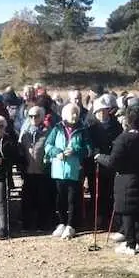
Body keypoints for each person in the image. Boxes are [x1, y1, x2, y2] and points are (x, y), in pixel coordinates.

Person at [94, 103, 139, 255]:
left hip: (127, 181)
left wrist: (100, 157)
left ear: (128, 120)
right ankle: (136, 242)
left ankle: (130, 244)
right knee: (137, 212)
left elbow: (113, 162)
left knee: (128, 213)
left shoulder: (124, 139)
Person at [45, 103, 89, 240]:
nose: (74, 116)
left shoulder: (83, 130)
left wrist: (76, 151)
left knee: (72, 199)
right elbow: (48, 146)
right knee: (60, 198)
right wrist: (56, 152)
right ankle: (61, 223)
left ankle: (71, 225)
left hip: (74, 170)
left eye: (76, 113)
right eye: (72, 113)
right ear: (65, 115)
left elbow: (89, 149)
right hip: (58, 170)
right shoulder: (57, 128)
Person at [87, 94, 122, 231]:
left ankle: (111, 218)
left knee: (111, 192)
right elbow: (88, 144)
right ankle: (98, 217)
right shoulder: (91, 127)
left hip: (111, 164)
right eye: (98, 111)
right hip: (95, 165)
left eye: (104, 110)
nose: (101, 113)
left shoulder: (116, 126)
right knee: (96, 192)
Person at [19, 106, 51, 232]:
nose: (33, 118)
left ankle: (41, 225)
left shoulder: (48, 132)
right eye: (30, 116)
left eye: (36, 116)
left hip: (42, 172)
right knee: (27, 199)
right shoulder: (25, 132)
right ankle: (26, 225)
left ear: (42, 117)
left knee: (42, 199)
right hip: (28, 171)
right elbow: (20, 149)